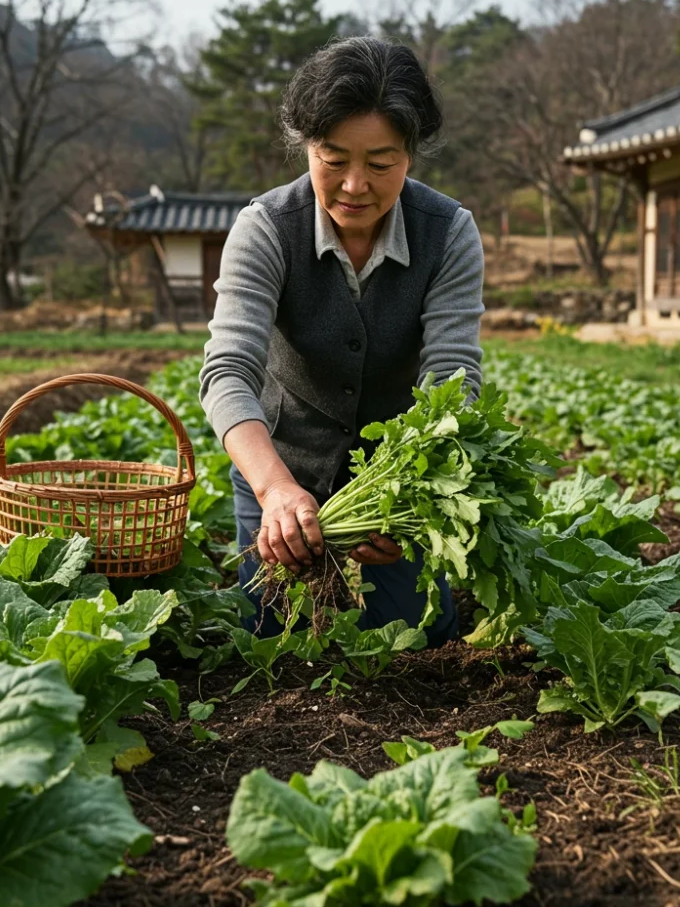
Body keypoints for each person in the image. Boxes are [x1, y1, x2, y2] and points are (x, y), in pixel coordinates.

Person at [199, 36, 484, 647]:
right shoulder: (267, 229)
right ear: (307, 146)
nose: (355, 185)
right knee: (269, 642)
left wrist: (409, 495)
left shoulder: (449, 233)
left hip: (399, 477)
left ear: (411, 154)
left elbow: (453, 372)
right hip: (283, 460)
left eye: (381, 164)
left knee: (420, 643)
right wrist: (275, 489)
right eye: (333, 158)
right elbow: (227, 372)